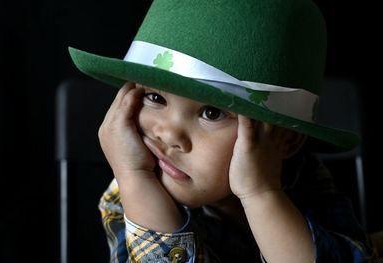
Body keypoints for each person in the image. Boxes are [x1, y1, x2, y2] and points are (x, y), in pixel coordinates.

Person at [69, 0, 376, 262]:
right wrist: (134, 176)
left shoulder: (304, 178)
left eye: (211, 113)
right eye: (155, 97)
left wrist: (261, 193)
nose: (170, 135)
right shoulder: (128, 190)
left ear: (285, 141)